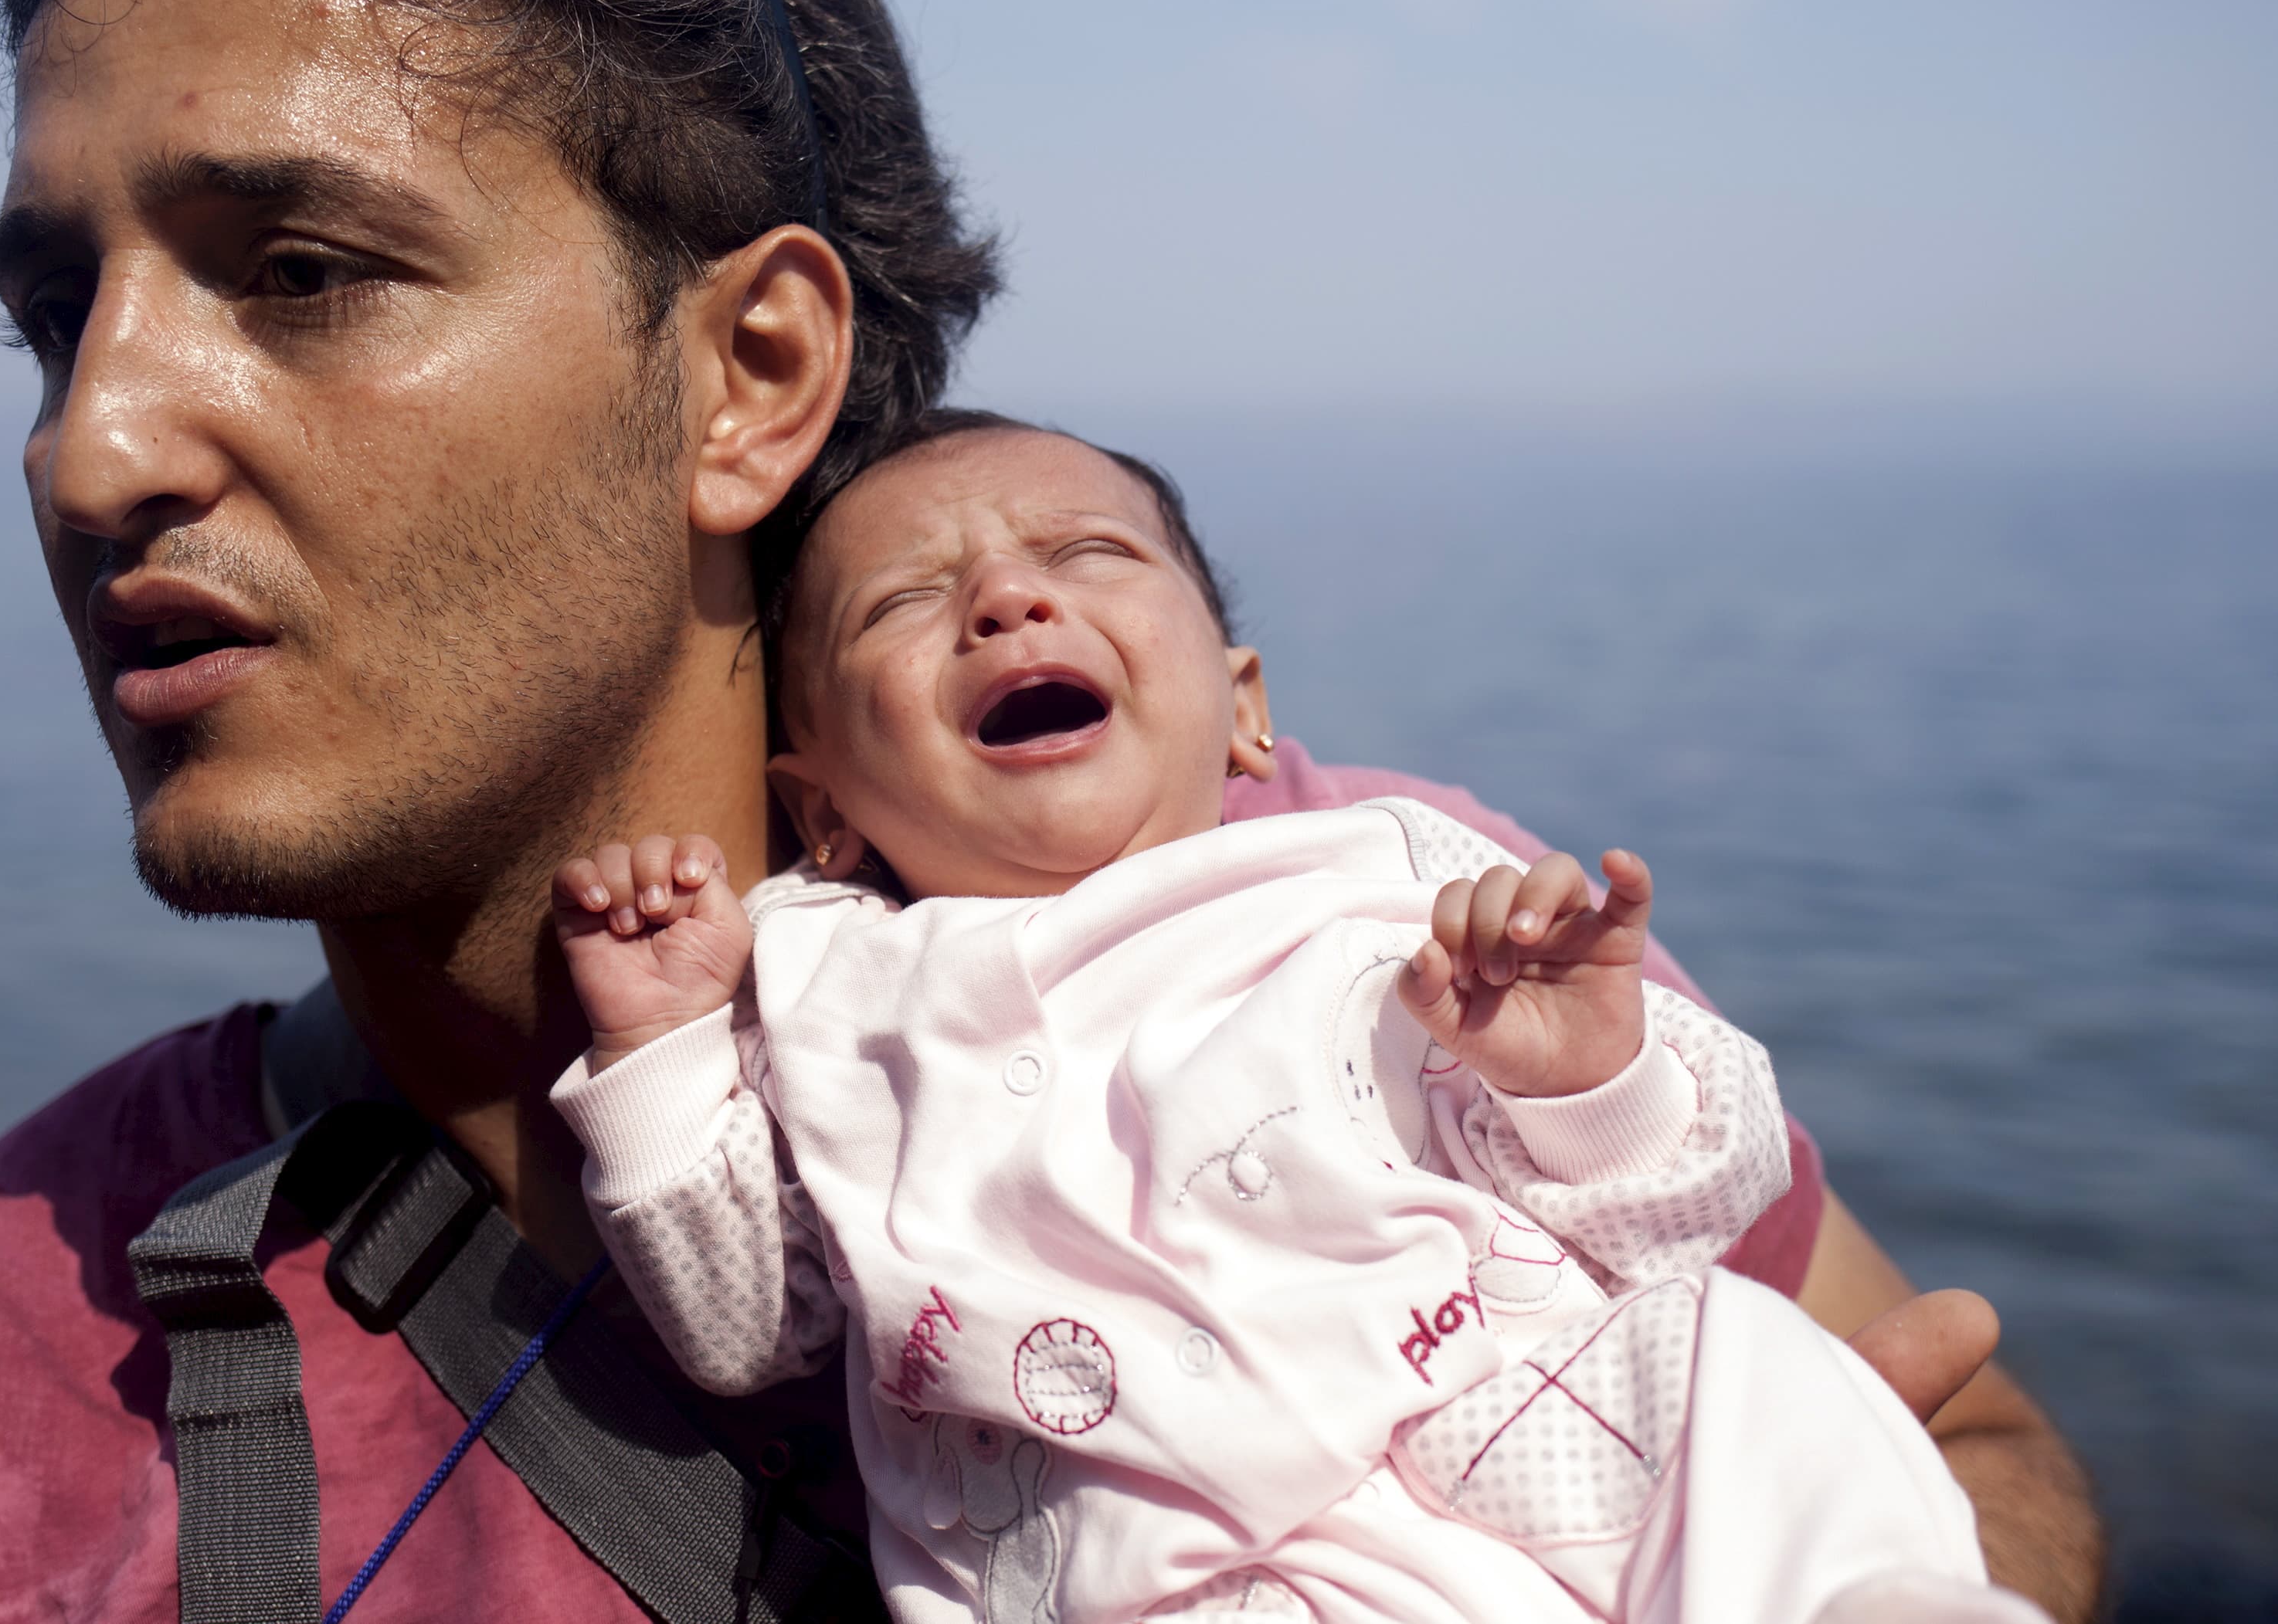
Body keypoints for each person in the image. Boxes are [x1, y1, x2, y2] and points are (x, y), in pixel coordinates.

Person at [0, 0, 2101, 1619]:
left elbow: (1977, 1460)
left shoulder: (1361, 921)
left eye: (306, 271)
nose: (90, 441)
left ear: (752, 373)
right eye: (58, 311)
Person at [547, 418, 2045, 1623]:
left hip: (1500, 1413)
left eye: (1084, 551)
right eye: (904, 601)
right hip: (1141, 1556)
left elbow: (1677, 1216)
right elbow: (752, 1317)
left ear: (1244, 705)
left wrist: (1581, 1079)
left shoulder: (1385, 879)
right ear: (818, 810)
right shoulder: (831, 987)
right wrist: (662, 1053)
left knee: (1740, 1359)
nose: (1007, 598)